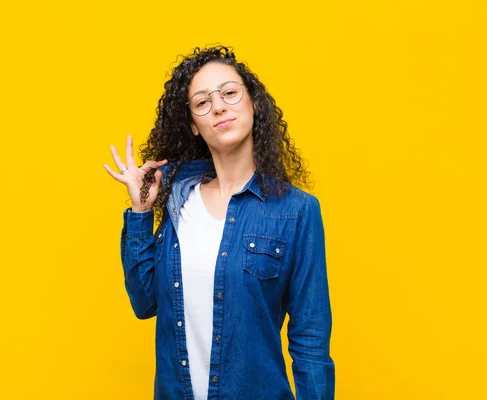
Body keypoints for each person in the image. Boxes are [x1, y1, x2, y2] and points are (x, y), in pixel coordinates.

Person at [104, 45, 334, 400]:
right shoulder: (178, 200)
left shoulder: (297, 211)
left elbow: (311, 340)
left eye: (229, 93)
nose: (219, 107)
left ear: (253, 103)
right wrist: (141, 213)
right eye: (202, 102)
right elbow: (144, 302)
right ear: (194, 126)